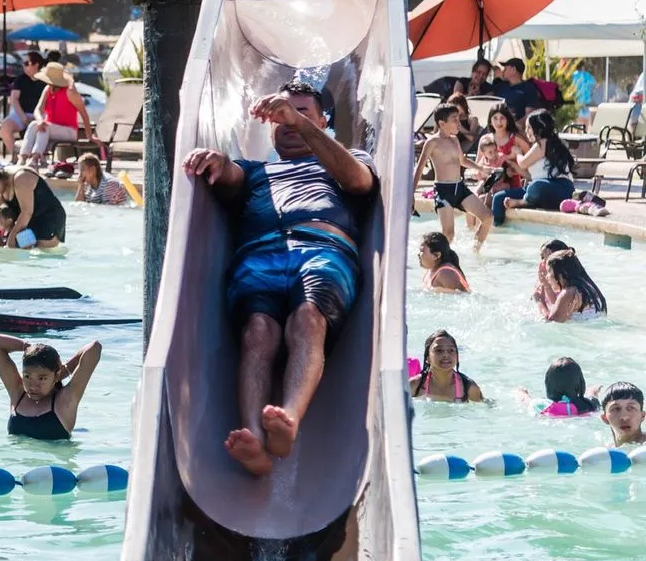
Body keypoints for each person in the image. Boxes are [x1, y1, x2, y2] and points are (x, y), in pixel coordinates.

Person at [183, 82, 376, 475]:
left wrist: (303, 127)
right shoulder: (258, 171)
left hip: (323, 247)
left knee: (307, 318)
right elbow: (232, 175)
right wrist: (218, 160)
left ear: (324, 121)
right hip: (260, 253)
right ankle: (254, 437)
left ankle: (288, 418)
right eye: (283, 114)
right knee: (257, 331)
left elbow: (359, 182)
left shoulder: (347, 157)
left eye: (304, 112)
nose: (291, 120)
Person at [0, 334, 103, 441]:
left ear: (55, 375)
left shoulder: (64, 402)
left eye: (42, 378)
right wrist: (28, 347)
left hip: (54, 463)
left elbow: (94, 348)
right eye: (27, 376)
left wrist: (65, 371)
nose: (33, 386)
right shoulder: (18, 393)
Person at [413, 105, 491, 245]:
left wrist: (481, 168)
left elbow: (462, 160)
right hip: (444, 191)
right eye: (455, 120)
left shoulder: (454, 140)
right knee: (449, 235)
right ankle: (438, 261)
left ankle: (475, 252)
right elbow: (419, 168)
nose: (459, 123)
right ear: (442, 124)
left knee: (487, 218)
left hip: (459, 187)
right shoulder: (432, 142)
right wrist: (411, 195)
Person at [491, 110, 576, 226]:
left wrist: (518, 153)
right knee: (499, 197)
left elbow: (523, 163)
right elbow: (530, 176)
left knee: (535, 186)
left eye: (528, 128)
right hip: (539, 189)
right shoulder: (539, 144)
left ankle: (522, 202)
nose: (526, 132)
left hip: (560, 189)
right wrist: (514, 166)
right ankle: (498, 227)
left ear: (538, 128)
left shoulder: (543, 142)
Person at [20, 62, 91, 167]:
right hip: (50, 127)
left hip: (69, 131)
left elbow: (84, 114)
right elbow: (38, 110)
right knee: (35, 124)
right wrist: (40, 120)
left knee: (45, 127)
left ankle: (35, 158)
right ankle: (23, 158)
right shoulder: (48, 89)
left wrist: (90, 136)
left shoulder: (70, 92)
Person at [0, 166, 66, 249]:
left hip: (48, 217)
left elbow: (26, 212)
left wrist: (12, 238)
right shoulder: (1, 188)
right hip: (27, 222)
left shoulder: (21, 178)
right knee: (23, 251)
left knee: (41, 254)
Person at [408, 330, 484, 402]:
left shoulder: (469, 388)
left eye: (451, 350)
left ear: (457, 357)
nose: (446, 355)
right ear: (428, 358)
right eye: (439, 350)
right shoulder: (414, 386)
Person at [0, 51, 48, 162]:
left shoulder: (45, 81)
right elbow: (14, 100)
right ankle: (16, 156)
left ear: (36, 65)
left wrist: (38, 117)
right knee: (5, 126)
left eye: (27, 63)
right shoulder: (20, 80)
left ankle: (39, 157)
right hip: (21, 114)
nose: (24, 65)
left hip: (40, 115)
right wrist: (23, 118)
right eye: (23, 63)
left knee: (44, 126)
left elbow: (48, 103)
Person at [537, 248, 607, 322]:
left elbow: (551, 323)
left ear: (561, 274)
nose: (547, 276)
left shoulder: (569, 292)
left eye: (549, 271)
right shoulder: (587, 286)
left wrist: (539, 300)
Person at [475, 103, 528, 194]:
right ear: (490, 121)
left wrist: (513, 170)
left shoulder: (517, 139)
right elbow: (477, 167)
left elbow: (530, 164)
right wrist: (484, 172)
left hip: (511, 184)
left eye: (502, 118)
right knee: (481, 197)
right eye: (495, 118)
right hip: (488, 183)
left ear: (508, 119)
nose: (498, 122)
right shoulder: (485, 140)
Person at [534, 357, 599, 416]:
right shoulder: (587, 405)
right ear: (580, 383)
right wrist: (592, 392)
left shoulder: (544, 405)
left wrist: (524, 394)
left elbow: (527, 401)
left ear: (547, 383)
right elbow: (593, 400)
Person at [493, 57, 543, 122]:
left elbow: (529, 115)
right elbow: (488, 97)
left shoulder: (529, 88)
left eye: (505, 68)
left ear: (514, 69)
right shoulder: (500, 86)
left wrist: (516, 126)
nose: (503, 71)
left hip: (517, 128)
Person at [601, 382, 645, 446]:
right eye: (616, 409)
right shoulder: (606, 452)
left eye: (631, 408)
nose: (624, 417)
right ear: (605, 418)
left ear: (643, 416)